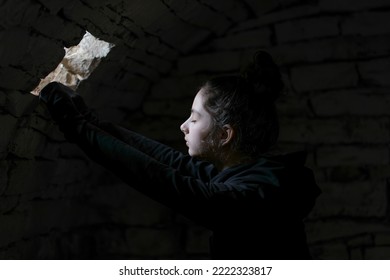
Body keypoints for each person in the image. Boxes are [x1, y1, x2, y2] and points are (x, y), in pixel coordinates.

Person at [39, 51, 320, 260]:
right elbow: (174, 164)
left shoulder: (252, 198)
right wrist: (91, 121)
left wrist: (75, 126)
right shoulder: (254, 175)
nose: (183, 126)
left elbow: (161, 179)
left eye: (195, 119)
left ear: (224, 135)